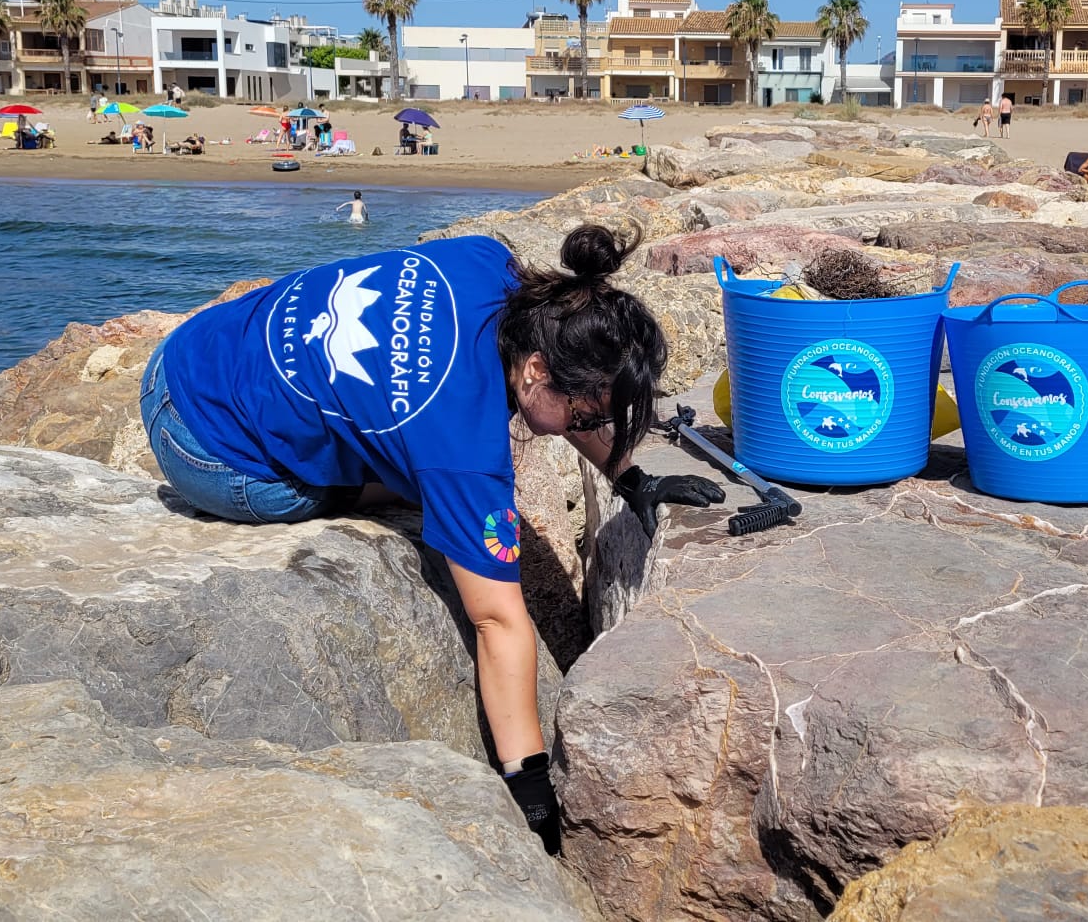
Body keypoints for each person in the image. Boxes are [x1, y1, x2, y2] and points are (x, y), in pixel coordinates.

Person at [139, 226, 725, 852]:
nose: (590, 429)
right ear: (533, 370)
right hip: (205, 452)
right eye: (587, 420)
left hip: (192, 351)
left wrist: (628, 477)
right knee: (416, 486)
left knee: (407, 448)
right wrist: (527, 785)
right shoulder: (462, 453)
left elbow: (556, 398)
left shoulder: (488, 263)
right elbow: (498, 622)